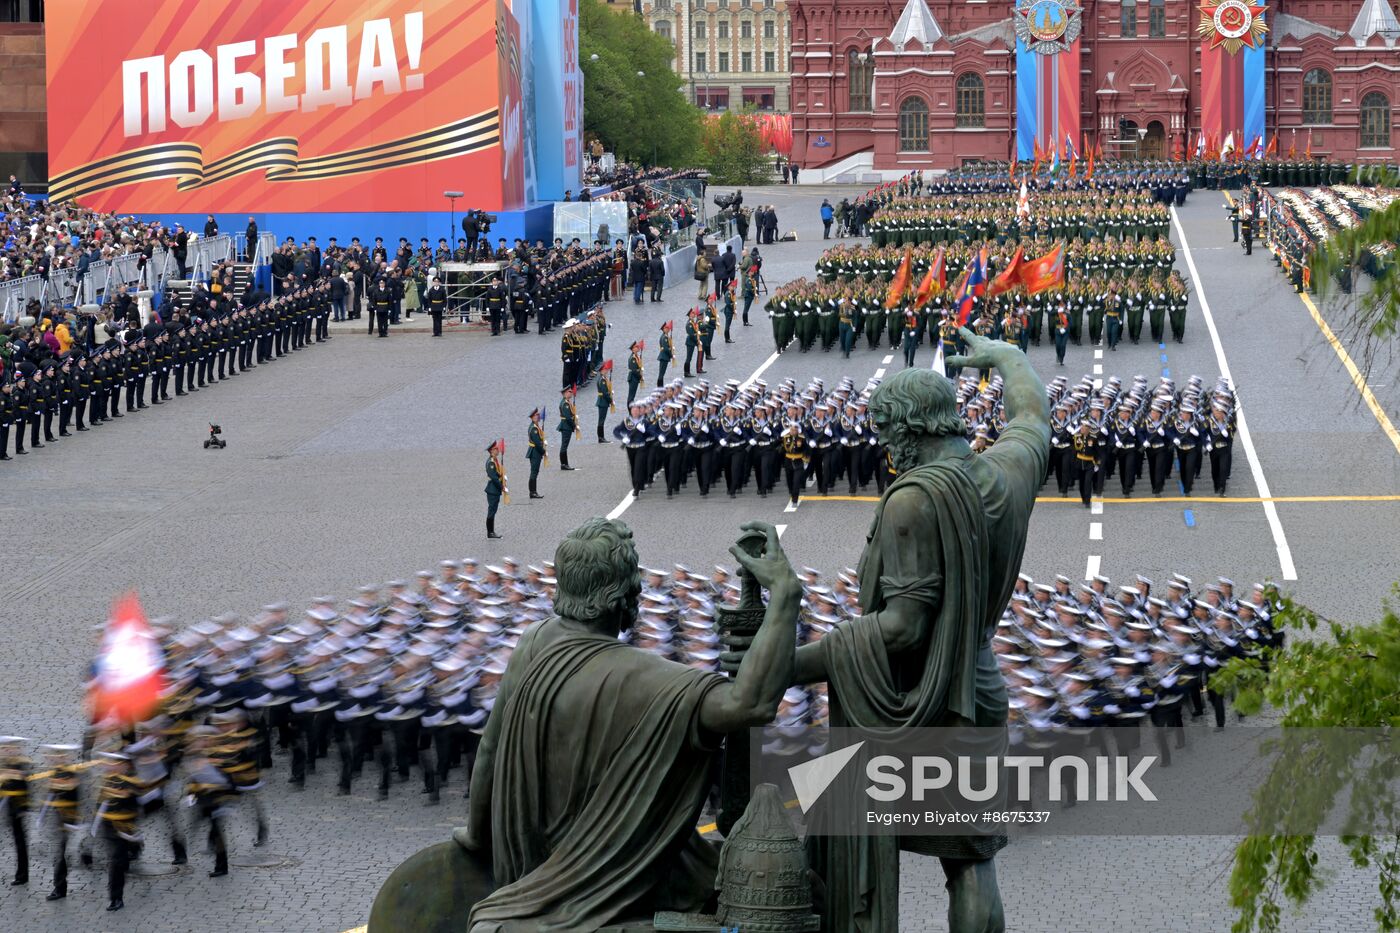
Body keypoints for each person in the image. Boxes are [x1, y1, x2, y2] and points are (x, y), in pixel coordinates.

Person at [793, 333, 1050, 933]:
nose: (885, 448)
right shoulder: (1008, 472)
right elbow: (1032, 409)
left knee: (847, 823)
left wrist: (797, 660)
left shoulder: (914, 499)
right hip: (980, 688)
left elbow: (904, 628)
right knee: (971, 862)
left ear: (910, 429)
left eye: (887, 433)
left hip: (914, 702)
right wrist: (1005, 355)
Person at [452, 519, 800, 930]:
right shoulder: (647, 679)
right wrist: (785, 596)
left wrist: (477, 834)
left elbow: (489, 752)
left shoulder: (532, 642)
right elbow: (751, 704)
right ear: (622, 597)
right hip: (611, 884)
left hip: (526, 871)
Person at [0, 735, 29, 887]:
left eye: (8, 748)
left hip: (16, 809)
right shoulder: (4, 764)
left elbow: (25, 788)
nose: (5, 751)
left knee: (20, 842)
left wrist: (23, 808)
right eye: (3, 749)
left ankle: (22, 874)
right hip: (5, 808)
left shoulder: (20, 765)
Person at [485, 440, 506, 539]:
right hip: (492, 489)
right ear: (492, 451)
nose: (498, 450)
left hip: (495, 489)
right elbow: (494, 477)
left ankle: (491, 531)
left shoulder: (495, 461)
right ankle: (490, 532)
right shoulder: (491, 463)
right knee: (492, 510)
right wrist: (501, 487)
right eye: (496, 449)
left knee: (493, 510)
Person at [526, 407, 547, 499]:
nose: (538, 416)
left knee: (535, 471)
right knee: (534, 472)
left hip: (535, 451)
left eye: (538, 415)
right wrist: (543, 451)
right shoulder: (534, 429)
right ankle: (533, 492)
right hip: (535, 452)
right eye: (536, 415)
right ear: (532, 417)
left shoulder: (536, 426)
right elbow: (537, 443)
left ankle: (533, 491)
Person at [557, 387, 579, 471]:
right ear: (565, 393)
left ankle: (564, 463)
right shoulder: (565, 404)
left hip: (566, 426)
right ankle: (564, 464)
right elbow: (568, 417)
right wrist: (574, 426)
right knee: (564, 445)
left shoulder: (567, 402)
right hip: (566, 426)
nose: (571, 393)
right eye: (570, 391)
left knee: (565, 445)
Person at [595, 360, 614, 443]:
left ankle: (601, 437)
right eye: (605, 369)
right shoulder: (602, 380)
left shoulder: (603, 378)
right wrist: (611, 400)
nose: (607, 370)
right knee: (601, 420)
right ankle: (601, 437)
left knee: (602, 419)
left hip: (603, 401)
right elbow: (605, 393)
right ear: (602, 370)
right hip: (603, 401)